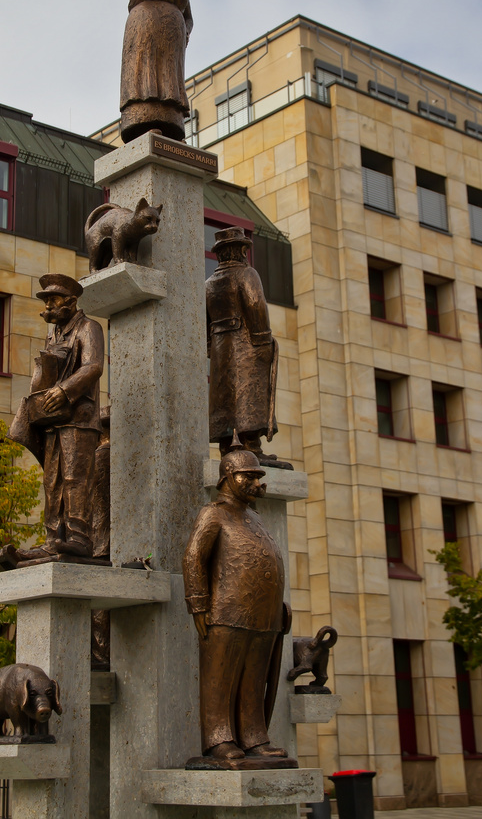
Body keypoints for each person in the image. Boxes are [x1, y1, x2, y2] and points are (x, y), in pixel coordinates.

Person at [182, 442, 292, 765]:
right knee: (221, 678)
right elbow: (193, 557)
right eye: (249, 477)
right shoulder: (213, 513)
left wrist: (279, 608)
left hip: (264, 617)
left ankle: (255, 737)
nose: (257, 484)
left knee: (254, 682)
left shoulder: (255, 518)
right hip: (226, 614)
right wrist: (198, 602)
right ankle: (219, 739)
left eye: (258, 477)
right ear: (227, 477)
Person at [8, 273, 104, 562]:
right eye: (46, 301)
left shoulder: (89, 327)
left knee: (75, 477)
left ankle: (79, 538)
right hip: (52, 418)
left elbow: (93, 366)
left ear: (71, 301)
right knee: (52, 480)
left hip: (78, 418)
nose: (48, 306)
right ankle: (53, 538)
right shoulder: (53, 334)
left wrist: (64, 390)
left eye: (53, 300)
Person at [205, 227, 283, 466]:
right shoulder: (247, 274)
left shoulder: (209, 283)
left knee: (225, 398)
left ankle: (228, 447)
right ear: (240, 251)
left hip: (220, 349)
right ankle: (251, 446)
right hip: (247, 347)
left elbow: (204, 321)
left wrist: (211, 347)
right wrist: (263, 341)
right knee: (250, 394)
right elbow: (256, 306)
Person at [119, 0, 194, 143]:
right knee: (145, 75)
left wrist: (185, 31)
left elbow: (189, 16)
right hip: (145, 27)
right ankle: (142, 124)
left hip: (173, 36)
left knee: (171, 80)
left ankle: (172, 127)